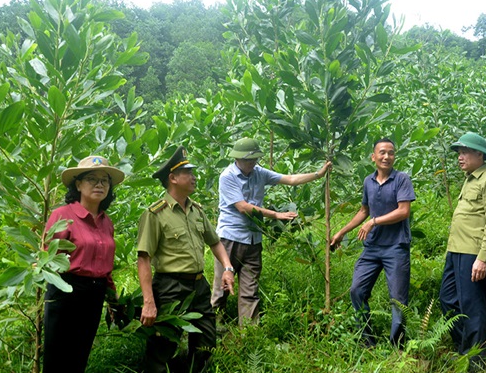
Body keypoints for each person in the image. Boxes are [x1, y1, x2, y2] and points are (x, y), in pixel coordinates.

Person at [211, 137, 331, 326]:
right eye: (249, 160)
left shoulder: (259, 172)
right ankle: (215, 328)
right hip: (230, 238)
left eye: (255, 159)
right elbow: (243, 207)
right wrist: (276, 215)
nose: (253, 163)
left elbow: (290, 180)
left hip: (253, 239)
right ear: (238, 159)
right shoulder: (228, 176)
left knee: (250, 290)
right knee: (222, 288)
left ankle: (249, 335)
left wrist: (318, 174)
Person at [136, 146, 235, 373]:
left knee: (206, 344)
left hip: (199, 285)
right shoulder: (155, 214)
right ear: (172, 178)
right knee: (162, 347)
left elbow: (215, 242)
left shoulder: (197, 211)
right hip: (170, 287)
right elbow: (144, 259)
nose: (194, 177)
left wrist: (228, 268)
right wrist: (149, 302)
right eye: (188, 173)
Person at [330, 138, 416, 347]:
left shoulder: (401, 179)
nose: (387, 157)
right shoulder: (368, 181)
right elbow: (364, 210)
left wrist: (374, 222)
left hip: (396, 247)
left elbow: (403, 211)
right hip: (372, 248)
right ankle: (367, 340)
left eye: (391, 153)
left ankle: (398, 346)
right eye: (382, 152)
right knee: (357, 291)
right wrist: (342, 231)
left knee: (397, 300)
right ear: (374, 157)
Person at [43, 155, 125, 373]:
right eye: (91, 179)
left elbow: (105, 267)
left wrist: (113, 298)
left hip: (95, 294)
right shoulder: (63, 215)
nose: (99, 184)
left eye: (104, 180)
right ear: (78, 184)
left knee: (80, 355)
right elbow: (47, 257)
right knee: (57, 358)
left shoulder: (107, 222)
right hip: (65, 291)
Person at [439, 133, 486, 370]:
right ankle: (466, 347)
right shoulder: (470, 178)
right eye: (458, 153)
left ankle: (475, 360)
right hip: (455, 250)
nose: (460, 157)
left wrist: (482, 258)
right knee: (447, 300)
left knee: (473, 306)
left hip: (473, 254)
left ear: (480, 154)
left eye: (465, 152)